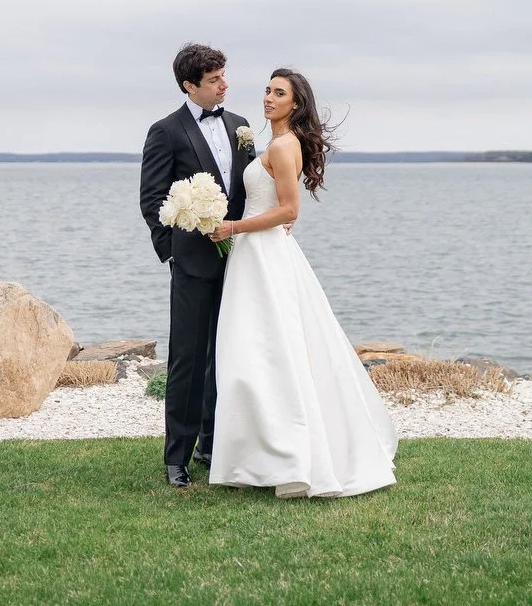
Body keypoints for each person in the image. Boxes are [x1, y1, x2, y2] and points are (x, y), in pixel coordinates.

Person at [207, 68, 396, 497]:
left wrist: (233, 227)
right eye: (267, 91)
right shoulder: (273, 144)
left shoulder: (284, 145)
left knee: (270, 351)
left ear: (295, 103)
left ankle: (288, 458)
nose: (269, 98)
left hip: (264, 254)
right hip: (255, 255)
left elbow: (290, 210)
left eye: (279, 93)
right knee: (254, 353)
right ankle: (257, 458)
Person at [138, 42, 252, 488]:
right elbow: (152, 199)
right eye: (214, 80)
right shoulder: (165, 131)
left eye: (224, 76)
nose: (225, 85)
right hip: (192, 264)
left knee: (227, 352)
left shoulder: (241, 127)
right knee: (188, 357)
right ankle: (177, 458)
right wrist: (173, 253)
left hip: (242, 260)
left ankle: (214, 443)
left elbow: (247, 190)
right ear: (190, 86)